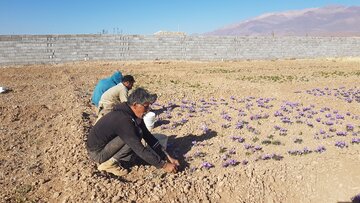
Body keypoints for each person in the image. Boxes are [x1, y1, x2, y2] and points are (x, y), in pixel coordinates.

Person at [86, 88, 180, 176]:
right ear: (135, 105)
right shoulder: (123, 120)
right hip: (97, 153)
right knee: (136, 134)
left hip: (103, 147)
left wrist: (166, 156)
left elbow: (148, 136)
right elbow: (138, 148)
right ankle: (109, 164)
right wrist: (163, 165)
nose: (147, 110)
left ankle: (117, 159)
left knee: (138, 132)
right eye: (145, 107)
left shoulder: (132, 114)